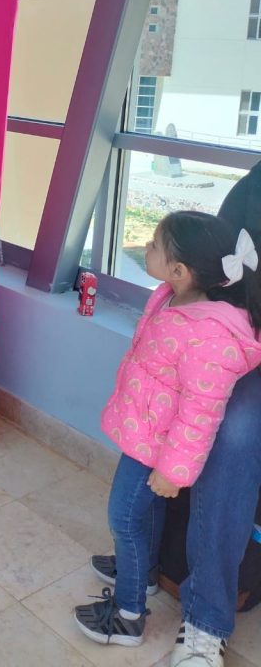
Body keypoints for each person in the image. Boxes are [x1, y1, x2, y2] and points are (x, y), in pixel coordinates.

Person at [73, 211, 261, 648]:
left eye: (155, 244)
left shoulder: (210, 336)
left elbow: (201, 413)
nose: (146, 247)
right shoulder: (171, 298)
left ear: (180, 271)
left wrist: (174, 470)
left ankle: (127, 615)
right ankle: (142, 572)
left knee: (124, 518)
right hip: (145, 432)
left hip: (157, 448)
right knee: (146, 514)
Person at [163, 173, 261, 667]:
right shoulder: (254, 189)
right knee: (234, 428)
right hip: (252, 337)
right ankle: (206, 619)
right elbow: (221, 277)